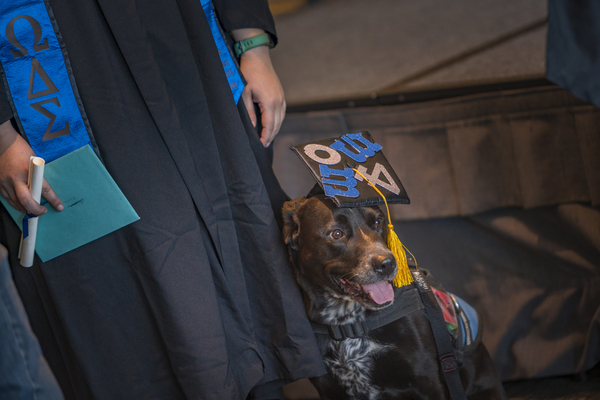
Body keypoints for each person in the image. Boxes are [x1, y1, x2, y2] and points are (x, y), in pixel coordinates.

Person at [0, 1, 325, 399]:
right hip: (54, 62)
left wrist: (252, 46)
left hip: (182, 42)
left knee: (236, 245)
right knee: (121, 278)